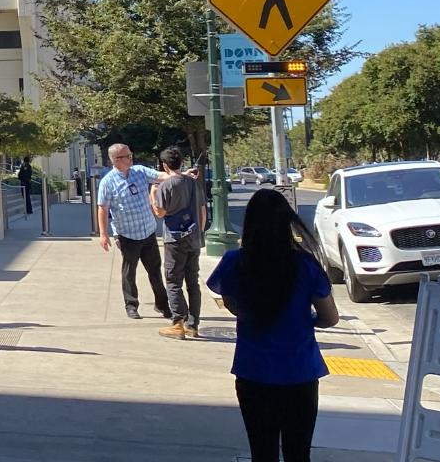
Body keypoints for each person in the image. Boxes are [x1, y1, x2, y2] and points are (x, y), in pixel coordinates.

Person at [208, 188, 340, 462]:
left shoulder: (235, 262)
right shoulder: (305, 265)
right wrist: (307, 321)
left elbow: (231, 303)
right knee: (298, 453)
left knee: (262, 452)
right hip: (300, 372)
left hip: (253, 370)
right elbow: (330, 317)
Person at [94, 143, 171, 321]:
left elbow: (161, 176)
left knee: (155, 270)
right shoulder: (108, 182)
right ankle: (131, 305)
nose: (131, 158)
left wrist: (179, 175)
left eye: (130, 154)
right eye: (127, 156)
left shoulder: (140, 171)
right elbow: (103, 209)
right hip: (127, 234)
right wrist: (103, 234)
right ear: (116, 160)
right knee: (130, 271)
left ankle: (162, 305)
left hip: (148, 231)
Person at [152, 147, 207, 340]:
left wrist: (152, 193)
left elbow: (159, 213)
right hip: (194, 238)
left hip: (174, 239)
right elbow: (202, 211)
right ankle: (193, 324)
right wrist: (199, 233)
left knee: (174, 281)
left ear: (165, 165)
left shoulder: (166, 186)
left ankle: (178, 323)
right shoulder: (193, 184)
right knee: (193, 281)